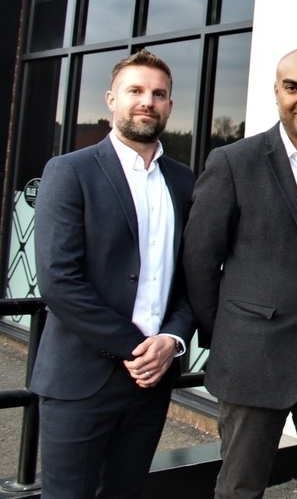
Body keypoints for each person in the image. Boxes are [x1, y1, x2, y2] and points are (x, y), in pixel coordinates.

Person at [183, 47, 297, 499]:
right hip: (251, 358)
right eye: (293, 87)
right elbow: (199, 262)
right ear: (276, 93)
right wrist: (225, 335)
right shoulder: (233, 163)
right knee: (240, 488)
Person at [30, 49, 195, 498]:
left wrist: (173, 340)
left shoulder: (184, 182)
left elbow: (193, 279)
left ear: (170, 107)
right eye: (136, 90)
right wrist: (136, 348)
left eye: (159, 94)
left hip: (152, 383)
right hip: (81, 381)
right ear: (111, 99)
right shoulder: (69, 172)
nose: (148, 101)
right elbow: (59, 280)